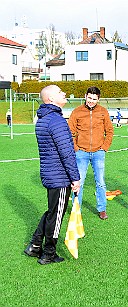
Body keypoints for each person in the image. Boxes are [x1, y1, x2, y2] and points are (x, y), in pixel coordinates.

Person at [24, 85, 80, 265]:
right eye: (59, 92)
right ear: (50, 99)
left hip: (50, 173)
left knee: (52, 211)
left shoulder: (43, 118)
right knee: (56, 216)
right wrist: (75, 178)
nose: (64, 93)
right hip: (59, 176)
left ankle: (34, 245)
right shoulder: (56, 120)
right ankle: (48, 253)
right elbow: (67, 152)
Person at [68, 86, 114, 220]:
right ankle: (77, 210)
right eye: (89, 98)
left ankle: (102, 209)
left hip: (98, 152)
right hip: (81, 152)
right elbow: (70, 132)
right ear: (85, 96)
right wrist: (76, 147)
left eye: (94, 99)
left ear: (98, 99)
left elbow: (109, 131)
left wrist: (104, 147)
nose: (91, 101)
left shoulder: (103, 112)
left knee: (100, 182)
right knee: (78, 183)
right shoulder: (76, 112)